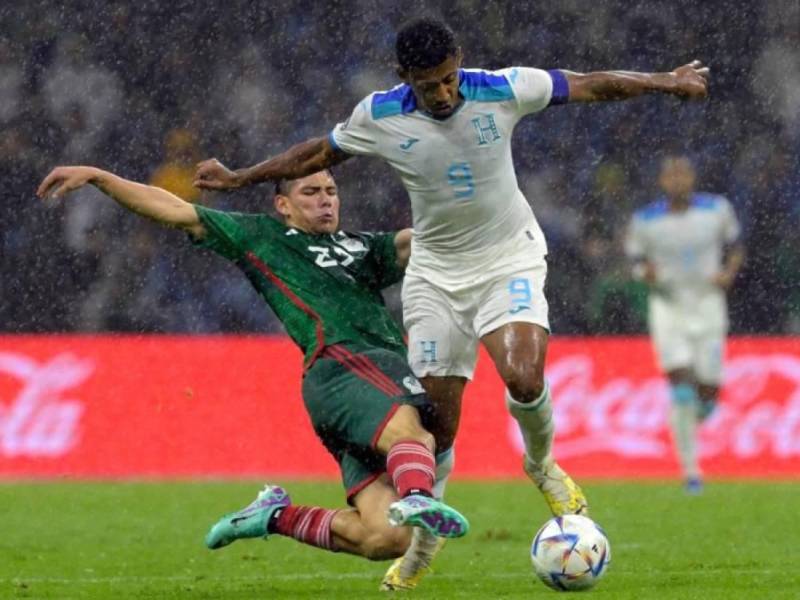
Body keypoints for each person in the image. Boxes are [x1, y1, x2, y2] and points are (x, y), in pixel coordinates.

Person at [193, 18, 710, 590]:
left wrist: (666, 79)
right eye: (426, 85)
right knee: (436, 433)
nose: (440, 94)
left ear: (459, 61)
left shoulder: (502, 88)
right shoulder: (380, 114)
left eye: (446, 80)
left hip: (507, 259)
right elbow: (314, 152)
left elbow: (589, 84)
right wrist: (241, 178)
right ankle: (418, 554)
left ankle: (540, 465)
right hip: (435, 275)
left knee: (522, 373)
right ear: (403, 78)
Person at [36, 166, 469, 562]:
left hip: (352, 389)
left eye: (332, 191)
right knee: (412, 435)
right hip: (345, 361)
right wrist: (100, 178)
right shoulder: (264, 238)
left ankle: (274, 515)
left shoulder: (362, 246)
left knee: (385, 539)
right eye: (311, 192)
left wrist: (482, 221)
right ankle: (418, 495)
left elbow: (422, 242)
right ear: (283, 205)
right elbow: (176, 210)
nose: (326, 200)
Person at [625, 156, 744, 494]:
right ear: (662, 181)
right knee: (681, 383)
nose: (677, 180)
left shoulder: (716, 210)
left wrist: (729, 272)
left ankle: (685, 420)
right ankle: (691, 471)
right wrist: (642, 273)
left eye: (683, 173)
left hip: (708, 303)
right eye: (671, 174)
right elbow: (635, 261)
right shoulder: (646, 220)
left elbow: (735, 247)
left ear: (693, 177)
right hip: (668, 305)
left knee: (708, 389)